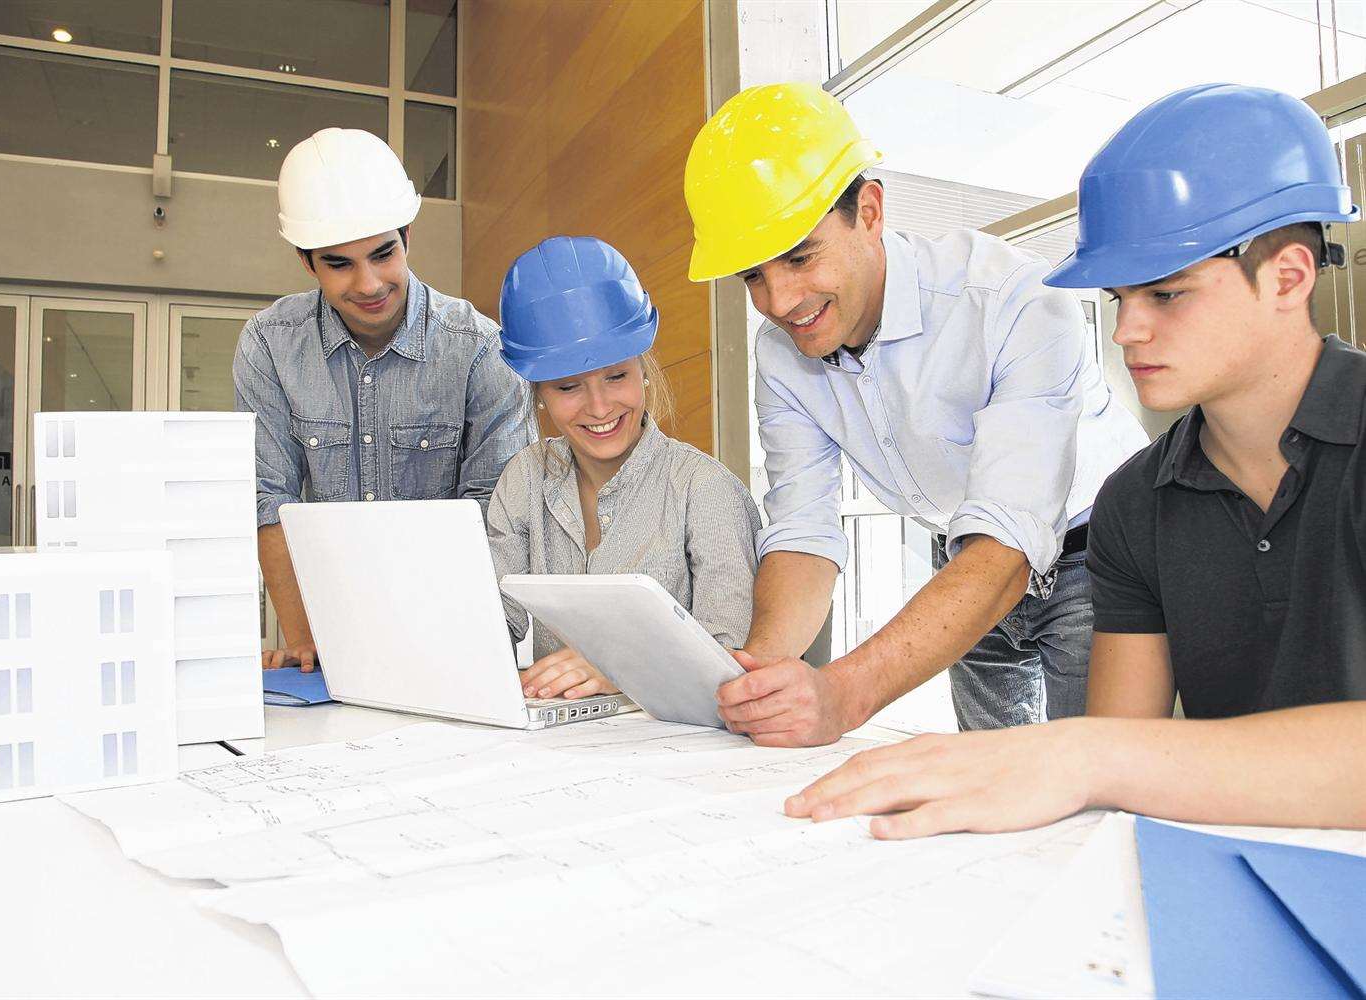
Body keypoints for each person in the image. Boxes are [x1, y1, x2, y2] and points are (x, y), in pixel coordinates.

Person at [785, 83, 1366, 838]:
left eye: (1165, 294)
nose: (1126, 333)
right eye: (1118, 298)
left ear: (1287, 278)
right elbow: (1115, 777)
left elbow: (1106, 754)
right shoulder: (1134, 502)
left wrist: (1084, 755)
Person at [683, 83, 1149, 745]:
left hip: (1095, 557)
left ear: (868, 212)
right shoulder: (780, 355)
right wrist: (763, 675)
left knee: (1094, 778)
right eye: (751, 277)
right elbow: (802, 530)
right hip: (964, 559)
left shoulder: (1011, 298)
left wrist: (843, 693)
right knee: (985, 775)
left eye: (799, 256)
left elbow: (1011, 538)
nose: (780, 301)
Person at [235, 128, 531, 672]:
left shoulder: (479, 349)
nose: (369, 284)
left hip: (455, 631)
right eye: (339, 264)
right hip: (324, 632)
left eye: (382, 253)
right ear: (308, 263)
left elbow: (499, 516)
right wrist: (306, 642)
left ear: (407, 236)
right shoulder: (269, 345)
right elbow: (266, 500)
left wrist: (457, 644)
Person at [487, 236, 762, 700]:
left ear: (643, 368)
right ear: (539, 392)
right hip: (561, 747)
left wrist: (626, 668)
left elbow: (733, 661)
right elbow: (492, 623)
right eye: (568, 386)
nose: (599, 407)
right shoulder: (524, 479)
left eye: (616, 376)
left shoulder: (704, 489)